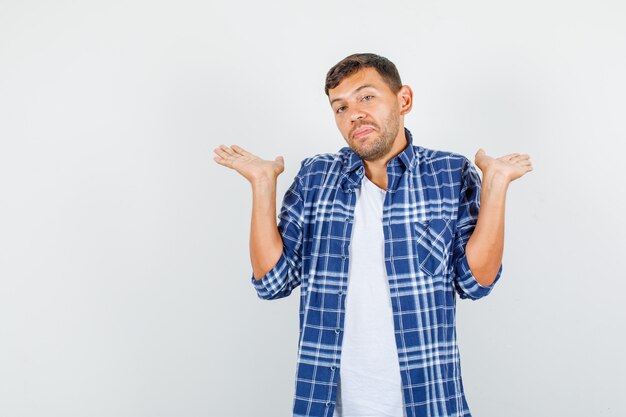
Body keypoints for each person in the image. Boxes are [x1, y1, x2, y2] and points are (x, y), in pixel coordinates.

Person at [213, 53, 532, 417]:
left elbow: (476, 282)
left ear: (403, 100)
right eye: (340, 107)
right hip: (327, 403)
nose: (354, 114)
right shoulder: (317, 176)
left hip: (429, 402)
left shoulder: (449, 173)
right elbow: (272, 283)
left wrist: (496, 186)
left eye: (367, 97)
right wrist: (262, 184)